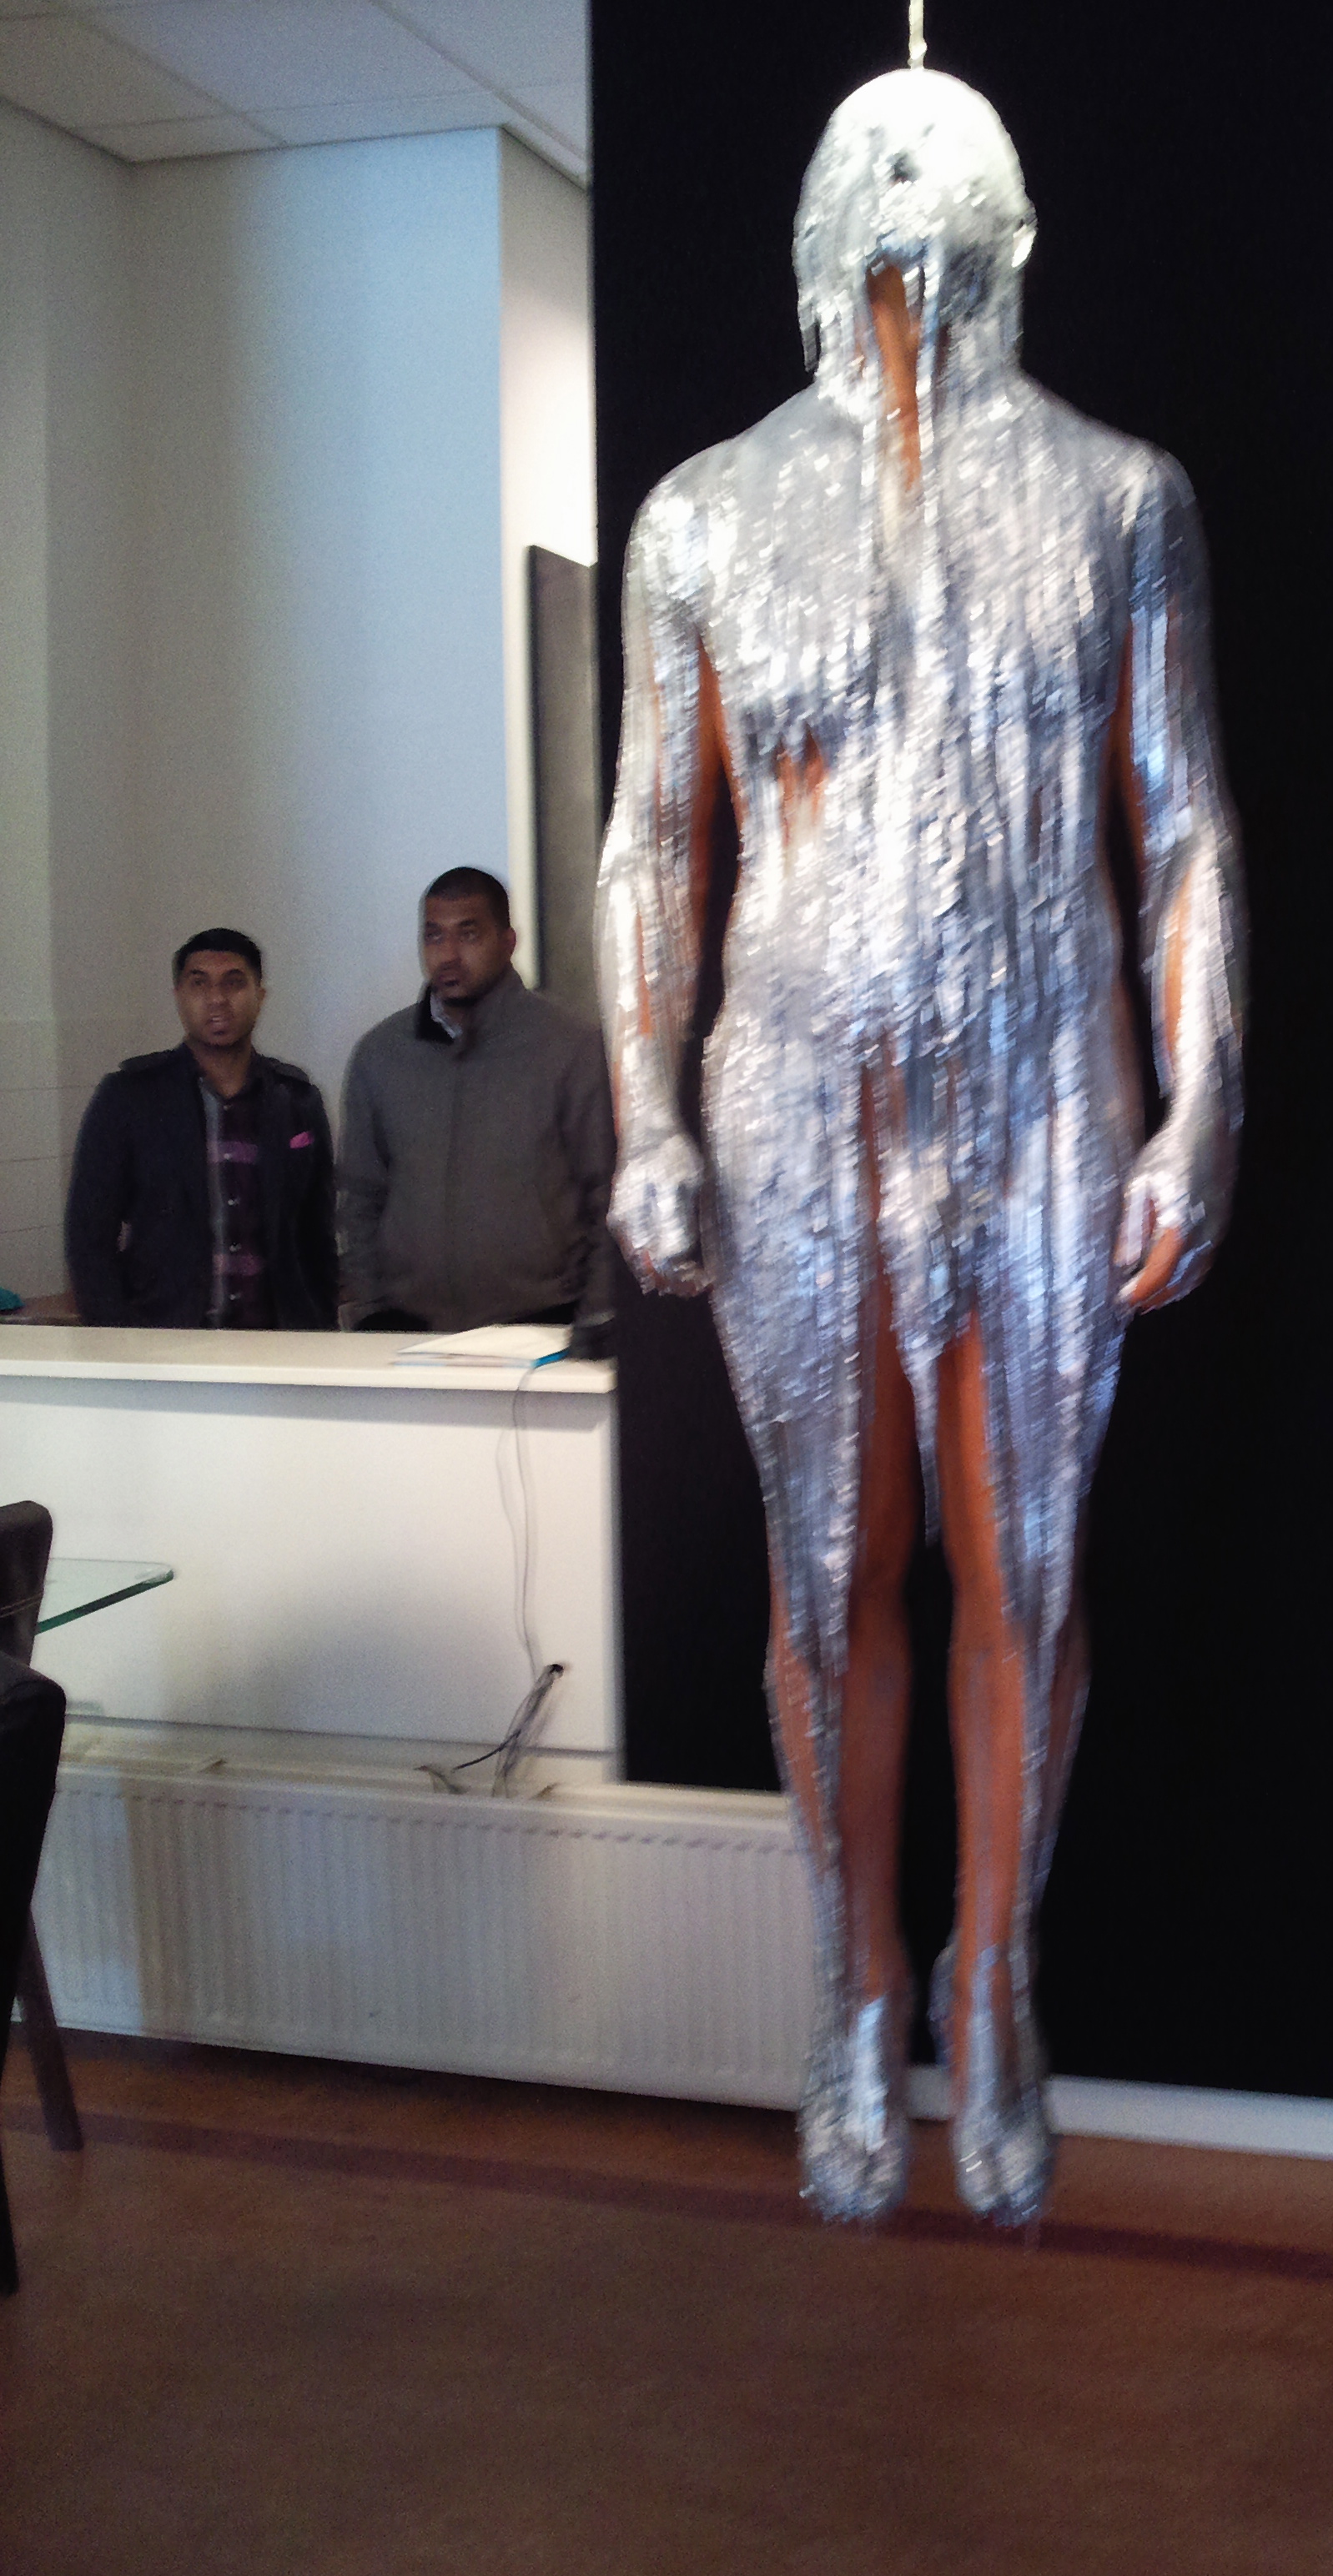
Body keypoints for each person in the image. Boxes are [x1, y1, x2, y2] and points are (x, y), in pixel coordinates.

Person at [596, 68, 1245, 2226]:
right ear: (808, 233)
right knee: (828, 1571)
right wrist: (648, 1107)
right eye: (864, 186)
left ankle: (1000, 1972)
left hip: (1045, 1088)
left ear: (1011, 229)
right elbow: (654, 838)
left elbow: (1181, 826)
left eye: (941, 180)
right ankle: (851, 1975)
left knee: (1023, 1568)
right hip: (798, 1096)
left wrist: (1202, 1102)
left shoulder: (1119, 499)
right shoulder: (707, 515)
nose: (902, 207)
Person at [339, 868, 616, 1333]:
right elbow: (359, 1196)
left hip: (542, 1327)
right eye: (434, 936)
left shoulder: (570, 1049)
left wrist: (598, 1315)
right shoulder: (381, 1055)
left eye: (468, 934)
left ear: (508, 941)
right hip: (407, 1332)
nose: (448, 955)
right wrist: (370, 1311)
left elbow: (607, 1194)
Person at [65, 928, 338, 1330]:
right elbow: (88, 1237)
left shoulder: (297, 1100)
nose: (217, 999)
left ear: (260, 995)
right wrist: (114, 1337)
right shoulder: (129, 1098)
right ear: (178, 996)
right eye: (199, 983)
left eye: (234, 982)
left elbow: (319, 1236)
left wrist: (322, 1331)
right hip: (166, 1338)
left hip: (278, 1342)